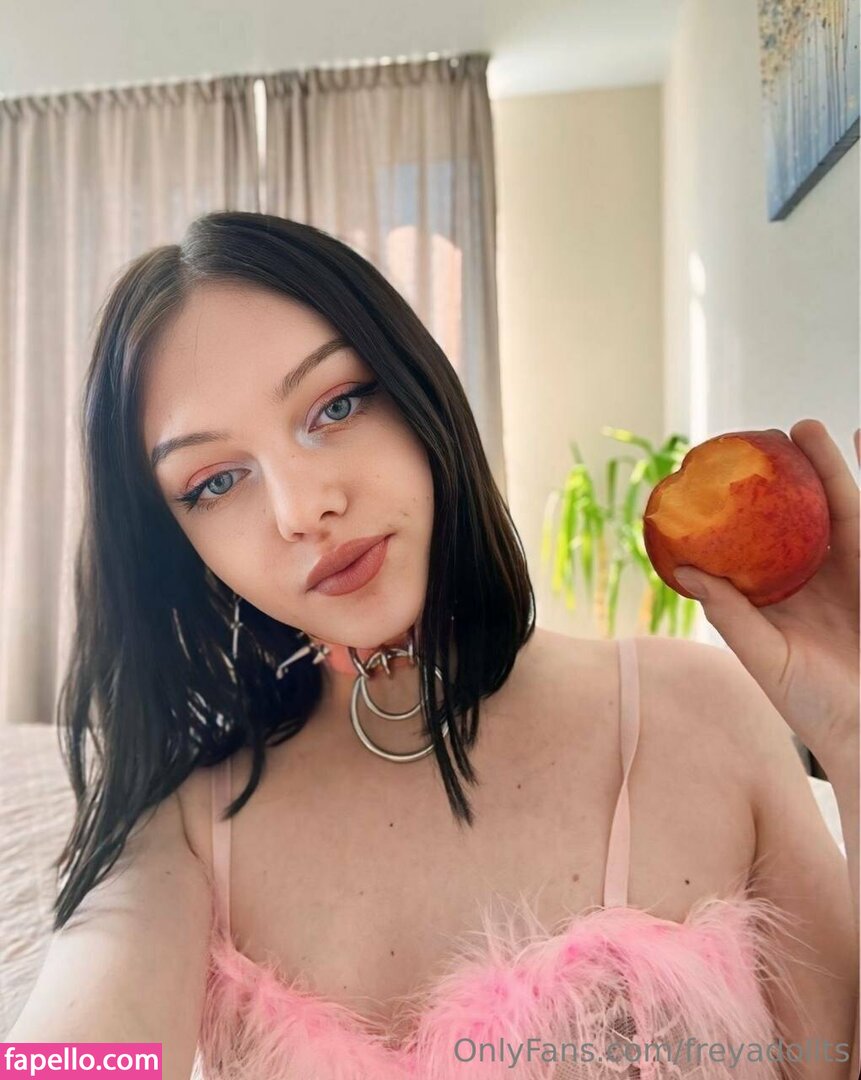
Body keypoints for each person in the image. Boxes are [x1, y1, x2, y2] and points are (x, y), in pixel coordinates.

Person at [6, 211, 858, 1080]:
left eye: (336, 405)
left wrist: (856, 739)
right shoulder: (184, 821)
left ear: (417, 390)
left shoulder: (697, 712)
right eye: (216, 481)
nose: (302, 509)